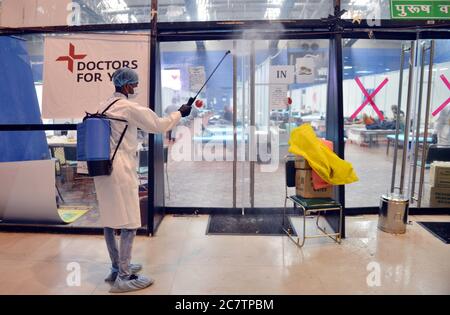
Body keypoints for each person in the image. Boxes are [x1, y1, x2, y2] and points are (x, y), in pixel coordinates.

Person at [94, 68, 191, 293]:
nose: (135, 89)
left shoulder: (103, 105)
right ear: (126, 86)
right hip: (120, 169)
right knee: (129, 222)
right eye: (134, 85)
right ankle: (124, 277)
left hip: (101, 168)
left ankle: (116, 267)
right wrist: (180, 113)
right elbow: (158, 125)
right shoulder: (128, 107)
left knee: (109, 219)